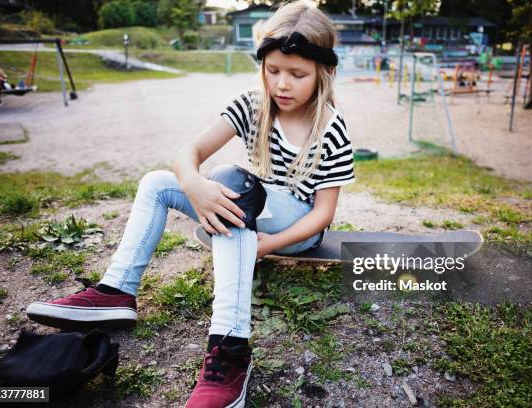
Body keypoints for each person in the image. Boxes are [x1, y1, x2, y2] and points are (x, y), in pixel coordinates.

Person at [26, 1, 354, 406]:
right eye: (273, 71)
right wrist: (194, 185)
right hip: (252, 205)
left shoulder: (331, 129)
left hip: (295, 227)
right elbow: (189, 150)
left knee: (238, 191)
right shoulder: (252, 104)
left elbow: (324, 215)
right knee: (159, 182)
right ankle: (117, 291)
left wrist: (265, 246)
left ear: (323, 72)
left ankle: (231, 349)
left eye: (297, 74)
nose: (282, 84)